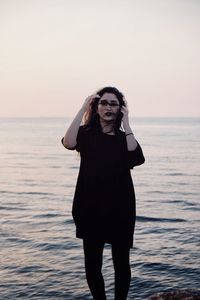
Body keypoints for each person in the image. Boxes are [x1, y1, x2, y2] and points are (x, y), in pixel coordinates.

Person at [62, 86, 145, 300]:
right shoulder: (86, 135)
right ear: (96, 107)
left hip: (120, 207)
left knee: (121, 265)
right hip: (89, 206)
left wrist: (127, 123)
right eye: (104, 103)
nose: (108, 107)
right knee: (92, 265)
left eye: (114, 104)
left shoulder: (123, 138)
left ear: (120, 109)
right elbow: (69, 142)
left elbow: (135, 157)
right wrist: (83, 108)